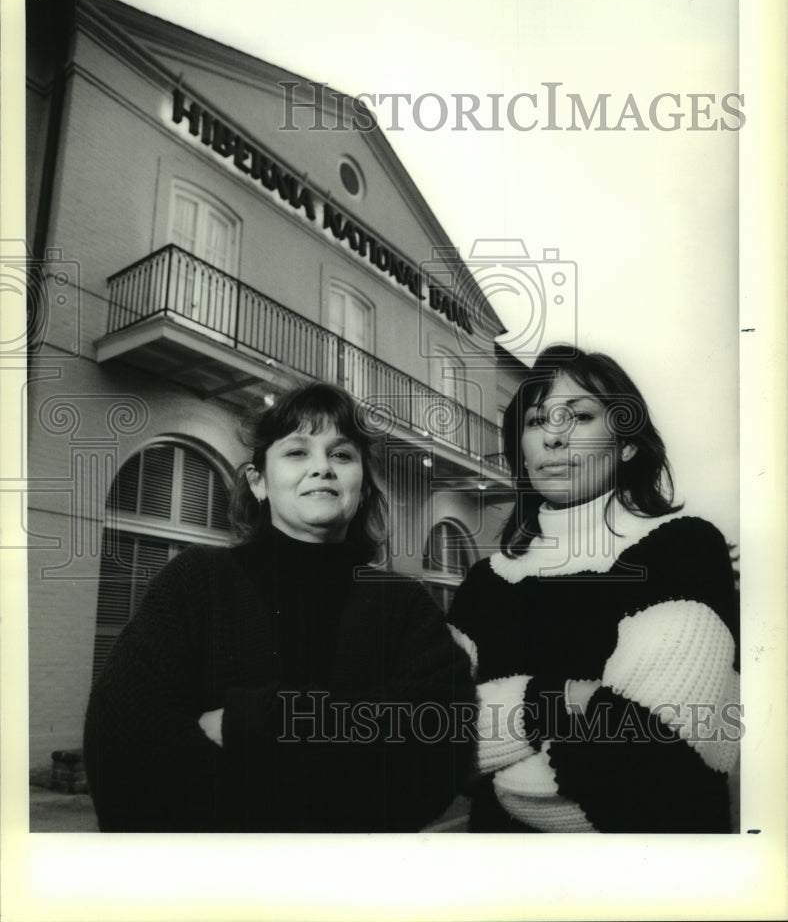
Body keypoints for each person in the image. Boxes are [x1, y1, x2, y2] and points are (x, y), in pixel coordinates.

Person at [84, 383, 475, 831]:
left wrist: (256, 722)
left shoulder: (405, 605)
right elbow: (121, 747)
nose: (322, 468)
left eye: (342, 455)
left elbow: (436, 741)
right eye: (296, 453)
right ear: (259, 482)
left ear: (363, 487)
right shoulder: (196, 581)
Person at [448, 344, 740, 833]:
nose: (554, 440)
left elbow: (658, 764)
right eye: (538, 421)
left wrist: (501, 743)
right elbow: (431, 743)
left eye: (579, 416)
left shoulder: (681, 551)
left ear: (627, 444)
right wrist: (558, 702)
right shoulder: (485, 583)